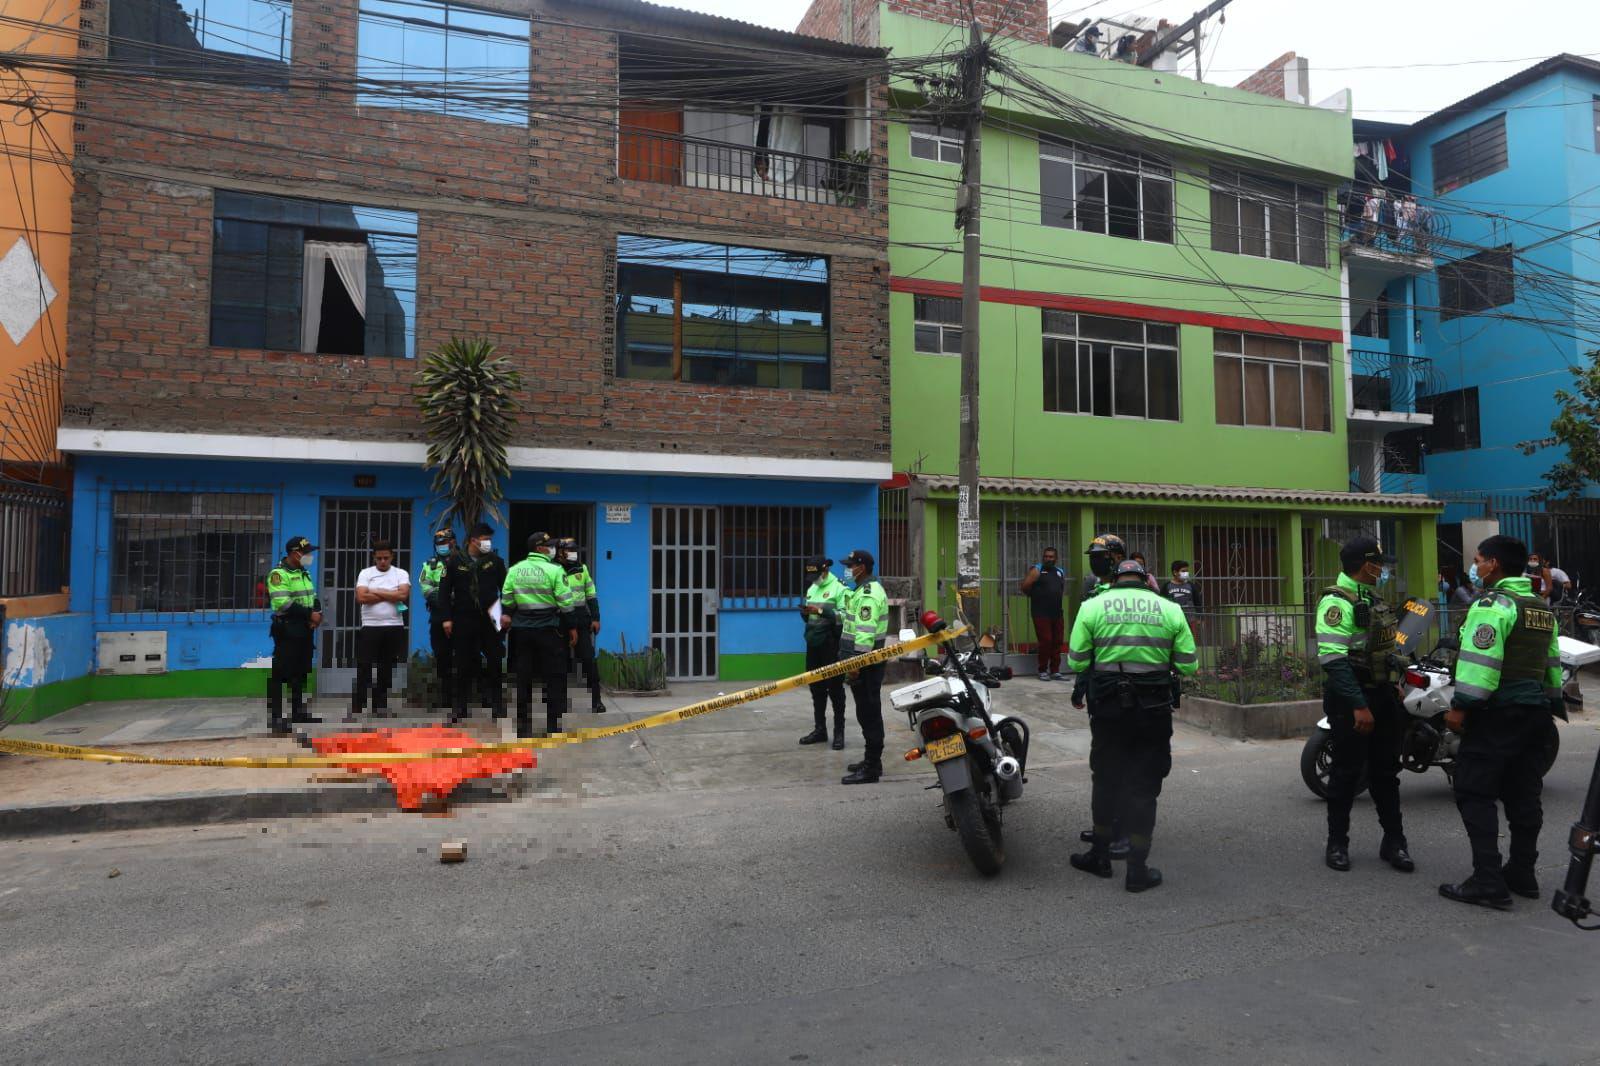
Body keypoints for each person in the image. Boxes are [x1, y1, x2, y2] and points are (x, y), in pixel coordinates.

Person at [1439, 535, 1563, 910]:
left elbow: (1481, 664)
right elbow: (1552, 664)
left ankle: (1488, 880)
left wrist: (1461, 706)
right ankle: (1522, 873)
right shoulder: (1539, 607)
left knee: (1474, 790)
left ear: (1493, 563)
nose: (1475, 567)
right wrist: (1551, 703)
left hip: (1498, 713)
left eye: (1478, 560)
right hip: (1536, 713)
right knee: (1524, 793)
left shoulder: (1493, 604)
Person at [1066, 558, 1197, 892]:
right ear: (1145, 579)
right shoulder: (1168, 609)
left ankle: (1100, 856)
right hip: (1152, 711)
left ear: (1116, 579)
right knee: (1144, 787)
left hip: (1109, 710)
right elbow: (1188, 665)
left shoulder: (1093, 606)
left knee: (1106, 780)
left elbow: (1077, 660)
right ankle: (1137, 869)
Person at [1315, 535, 1413, 875]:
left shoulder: (1371, 597)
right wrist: (1359, 706)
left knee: (1387, 773)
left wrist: (1396, 684)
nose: (1382, 570)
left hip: (1383, 696)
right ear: (1365, 565)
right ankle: (1337, 843)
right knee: (1345, 773)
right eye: (1379, 564)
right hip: (1352, 700)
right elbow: (1333, 661)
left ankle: (1395, 842)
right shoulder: (1336, 603)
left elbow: (1384, 652)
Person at [501, 532, 578, 738]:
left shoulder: (515, 570)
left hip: (521, 631)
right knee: (552, 677)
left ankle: (523, 728)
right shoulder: (555, 570)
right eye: (549, 546)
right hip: (549, 631)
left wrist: (509, 614)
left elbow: (507, 598)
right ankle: (552, 726)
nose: (553, 549)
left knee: (523, 678)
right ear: (540, 548)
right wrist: (572, 627)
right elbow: (566, 602)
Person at [438, 521, 508, 724]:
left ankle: (497, 704)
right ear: (472, 540)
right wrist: (446, 618)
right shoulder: (454, 562)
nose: (487, 543)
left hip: (490, 616)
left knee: (494, 660)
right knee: (462, 663)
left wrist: (505, 613)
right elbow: (444, 592)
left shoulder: (495, 561)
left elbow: (506, 589)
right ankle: (460, 707)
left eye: (489, 539)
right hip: (463, 617)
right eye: (485, 539)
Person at [839, 549, 890, 785]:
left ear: (863, 567)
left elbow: (864, 636)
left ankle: (871, 767)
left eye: (851, 565)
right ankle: (872, 761)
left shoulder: (868, 594)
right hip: (863, 664)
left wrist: (856, 664)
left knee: (869, 713)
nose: (848, 569)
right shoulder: (861, 590)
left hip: (865, 665)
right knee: (866, 712)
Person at [266, 536, 323, 735]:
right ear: (294, 553)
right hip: (288, 628)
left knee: (301, 671)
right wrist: (310, 614)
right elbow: (283, 602)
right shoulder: (278, 574)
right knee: (280, 673)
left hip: (305, 628)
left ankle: (298, 711)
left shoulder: (303, 573)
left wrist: (317, 614)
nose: (309, 556)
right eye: (306, 552)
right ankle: (275, 718)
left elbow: (312, 597)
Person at [349, 540, 410, 722]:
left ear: (392, 556)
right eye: (379, 558)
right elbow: (361, 597)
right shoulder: (366, 573)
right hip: (370, 626)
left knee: (386, 668)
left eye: (386, 558)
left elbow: (403, 595)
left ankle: (380, 705)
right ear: (374, 557)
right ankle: (358, 706)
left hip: (394, 626)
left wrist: (375, 592)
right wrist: (390, 594)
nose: (382, 561)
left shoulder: (401, 573)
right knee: (364, 667)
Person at [798, 555, 849, 749]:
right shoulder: (812, 588)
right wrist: (805, 614)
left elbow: (846, 616)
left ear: (825, 571)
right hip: (814, 643)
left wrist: (821, 612)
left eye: (817, 575)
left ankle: (839, 733)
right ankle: (820, 729)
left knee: (835, 689)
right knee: (816, 688)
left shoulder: (839, 588)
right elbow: (811, 618)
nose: (814, 580)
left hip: (832, 644)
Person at [557, 537, 606, 715]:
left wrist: (596, 618)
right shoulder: (554, 570)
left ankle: (597, 701)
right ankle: (559, 701)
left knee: (588, 660)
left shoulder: (582, 569)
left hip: (580, 618)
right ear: (561, 553)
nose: (573, 553)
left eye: (574, 550)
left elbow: (591, 595)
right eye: (569, 550)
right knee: (559, 662)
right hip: (560, 619)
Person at [418, 527, 456, 713]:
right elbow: (426, 589)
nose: (442, 546)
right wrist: (447, 598)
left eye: (445, 542)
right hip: (438, 617)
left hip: (460, 617)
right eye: (439, 543)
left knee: (464, 657)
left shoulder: (462, 563)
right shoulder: (430, 565)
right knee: (442, 658)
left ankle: (463, 698)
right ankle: (445, 699)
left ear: (453, 543)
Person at [1020, 546, 1068, 680]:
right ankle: (1042, 670)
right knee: (1046, 641)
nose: (1048, 558)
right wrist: (1035, 596)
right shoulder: (1037, 569)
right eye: (1046, 556)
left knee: (1058, 641)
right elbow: (1024, 586)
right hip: (1040, 612)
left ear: (1056, 558)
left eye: (1051, 557)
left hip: (1057, 612)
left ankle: (1055, 671)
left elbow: (1061, 588)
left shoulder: (1060, 572)